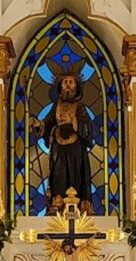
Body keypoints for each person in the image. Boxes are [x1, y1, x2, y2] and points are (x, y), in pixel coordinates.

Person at [31, 73, 94, 214]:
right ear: (60, 86)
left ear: (77, 87)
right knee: (59, 175)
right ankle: (58, 202)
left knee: (76, 175)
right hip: (59, 149)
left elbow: (87, 127)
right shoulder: (56, 106)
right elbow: (48, 123)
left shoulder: (80, 107)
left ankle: (80, 204)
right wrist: (39, 124)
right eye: (65, 82)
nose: (68, 85)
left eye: (71, 82)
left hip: (76, 150)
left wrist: (74, 122)